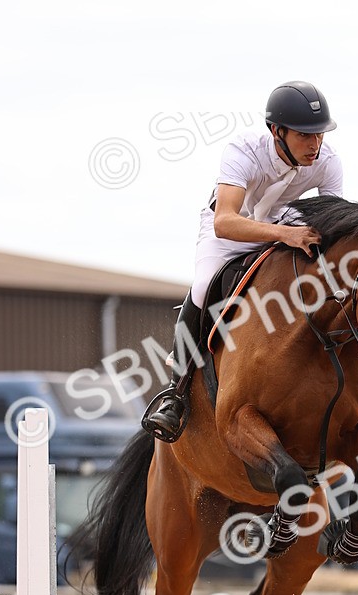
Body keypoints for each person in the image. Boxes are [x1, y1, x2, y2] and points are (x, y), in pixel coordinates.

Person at [143, 81, 342, 443]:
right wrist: (284, 236)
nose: (315, 145)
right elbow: (225, 221)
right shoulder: (244, 150)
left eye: (320, 135)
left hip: (285, 223)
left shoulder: (327, 163)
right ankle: (177, 390)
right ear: (276, 132)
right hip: (231, 228)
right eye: (304, 135)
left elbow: (335, 224)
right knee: (204, 286)